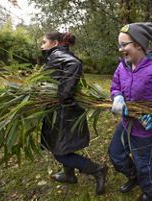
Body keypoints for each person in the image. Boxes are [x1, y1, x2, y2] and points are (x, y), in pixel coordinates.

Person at [109, 22, 152, 201]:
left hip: (145, 129)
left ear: (138, 44)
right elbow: (115, 86)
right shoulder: (122, 66)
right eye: (120, 45)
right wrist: (117, 97)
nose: (121, 49)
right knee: (115, 154)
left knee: (143, 163)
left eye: (124, 45)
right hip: (126, 123)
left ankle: (149, 191)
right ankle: (134, 177)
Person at [40, 32, 107, 195]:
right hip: (59, 110)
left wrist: (64, 98)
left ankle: (97, 170)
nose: (41, 45)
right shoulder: (56, 55)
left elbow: (74, 65)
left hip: (64, 111)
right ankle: (69, 175)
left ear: (55, 43)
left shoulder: (59, 55)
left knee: (60, 153)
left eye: (44, 42)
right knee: (62, 146)